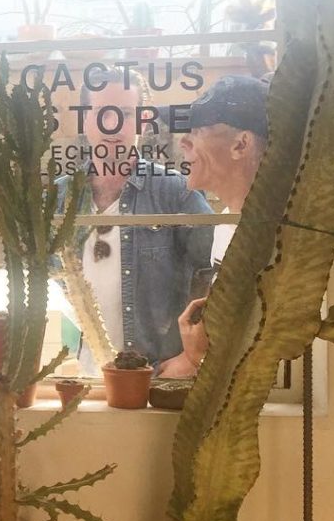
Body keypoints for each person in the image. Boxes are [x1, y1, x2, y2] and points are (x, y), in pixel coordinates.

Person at [57, 67, 213, 376]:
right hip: (73, 381)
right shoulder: (57, 197)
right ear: (85, 119)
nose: (112, 125)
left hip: (152, 380)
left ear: (144, 121)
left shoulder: (175, 193)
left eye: (125, 114)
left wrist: (191, 357)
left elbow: (222, 271)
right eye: (102, 112)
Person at [176, 75, 269, 368]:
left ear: (241, 144)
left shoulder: (276, 234)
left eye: (198, 130)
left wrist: (198, 357)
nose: (183, 142)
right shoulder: (227, 224)